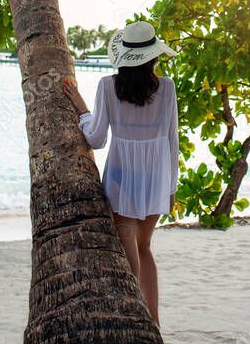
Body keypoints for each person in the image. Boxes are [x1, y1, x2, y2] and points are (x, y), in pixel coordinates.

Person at [63, 20, 179, 327]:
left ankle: (135, 321)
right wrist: (171, 185)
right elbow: (172, 140)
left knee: (130, 258)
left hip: (120, 179)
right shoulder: (167, 88)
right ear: (154, 57)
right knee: (145, 248)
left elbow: (96, 139)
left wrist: (81, 109)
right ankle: (153, 323)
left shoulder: (108, 86)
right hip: (156, 178)